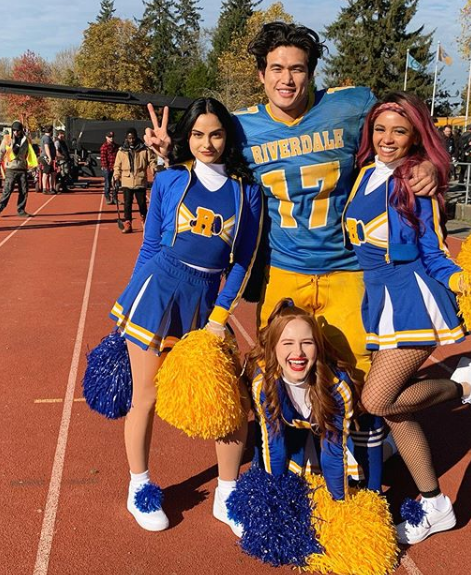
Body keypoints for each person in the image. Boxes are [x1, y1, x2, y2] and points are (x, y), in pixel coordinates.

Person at [145, 22, 437, 385]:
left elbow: (402, 129)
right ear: (261, 75)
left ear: (312, 74)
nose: (286, 79)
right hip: (283, 269)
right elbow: (209, 169)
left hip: (347, 270)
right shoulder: (241, 127)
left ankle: (359, 442)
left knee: (358, 378)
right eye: (277, 69)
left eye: (297, 69)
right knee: (273, 377)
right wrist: (169, 156)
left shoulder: (351, 105)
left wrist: (427, 162)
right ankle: (279, 444)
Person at [344, 92, 471, 545]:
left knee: (377, 402)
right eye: (380, 129)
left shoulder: (413, 181)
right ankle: (434, 504)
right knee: (396, 410)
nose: (387, 139)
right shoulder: (361, 176)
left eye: (400, 130)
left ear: (416, 135)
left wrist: (461, 282)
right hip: (380, 302)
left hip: (414, 301)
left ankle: (466, 386)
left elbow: (434, 250)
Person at [109, 97, 262, 533]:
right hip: (157, 290)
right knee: (147, 398)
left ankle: (227, 493)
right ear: (187, 137)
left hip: (206, 301)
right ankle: (139, 486)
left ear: (228, 136)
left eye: (215, 134)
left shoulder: (246, 191)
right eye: (197, 134)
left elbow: (241, 260)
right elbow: (151, 246)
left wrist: (218, 317)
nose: (207, 143)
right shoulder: (171, 179)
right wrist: (131, 302)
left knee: (228, 402)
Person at [245, 298, 384, 500]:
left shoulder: (336, 387)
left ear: (318, 347)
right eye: (288, 343)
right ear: (273, 348)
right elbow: (274, 445)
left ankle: (389, 445)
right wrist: (275, 501)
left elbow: (333, 452)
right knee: (270, 477)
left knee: (367, 488)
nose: (298, 353)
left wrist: (340, 506)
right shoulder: (264, 384)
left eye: (307, 343)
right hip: (296, 435)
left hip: (344, 435)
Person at [113, 127, 157, 233]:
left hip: (140, 180)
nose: (131, 140)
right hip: (126, 180)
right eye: (129, 138)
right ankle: (128, 223)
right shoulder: (121, 151)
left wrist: (154, 169)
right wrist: (116, 176)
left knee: (142, 203)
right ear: (126, 138)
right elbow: (117, 165)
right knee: (127, 203)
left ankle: (144, 221)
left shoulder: (144, 149)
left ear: (136, 137)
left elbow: (152, 160)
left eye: (133, 138)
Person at [0, 121, 31, 217]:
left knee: (24, 190)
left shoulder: (26, 140)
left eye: (18, 130)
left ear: (21, 130)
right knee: (7, 190)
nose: (16, 132)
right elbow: (1, 151)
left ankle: (21, 210)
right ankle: (0, 207)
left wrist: (31, 166)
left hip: (22, 168)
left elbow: (29, 153)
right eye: (14, 130)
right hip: (11, 168)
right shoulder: (7, 140)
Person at [100, 131, 119, 204]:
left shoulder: (116, 146)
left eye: (112, 137)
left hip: (115, 167)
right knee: (107, 184)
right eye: (109, 137)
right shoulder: (104, 147)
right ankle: (107, 197)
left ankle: (115, 198)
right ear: (106, 137)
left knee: (116, 184)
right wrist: (107, 167)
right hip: (107, 168)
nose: (111, 138)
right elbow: (103, 158)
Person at [40, 126, 56, 195]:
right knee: (46, 173)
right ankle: (44, 189)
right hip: (46, 157)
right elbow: (46, 147)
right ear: (51, 131)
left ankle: (51, 188)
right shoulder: (46, 138)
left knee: (52, 173)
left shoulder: (47, 138)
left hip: (47, 157)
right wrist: (49, 157)